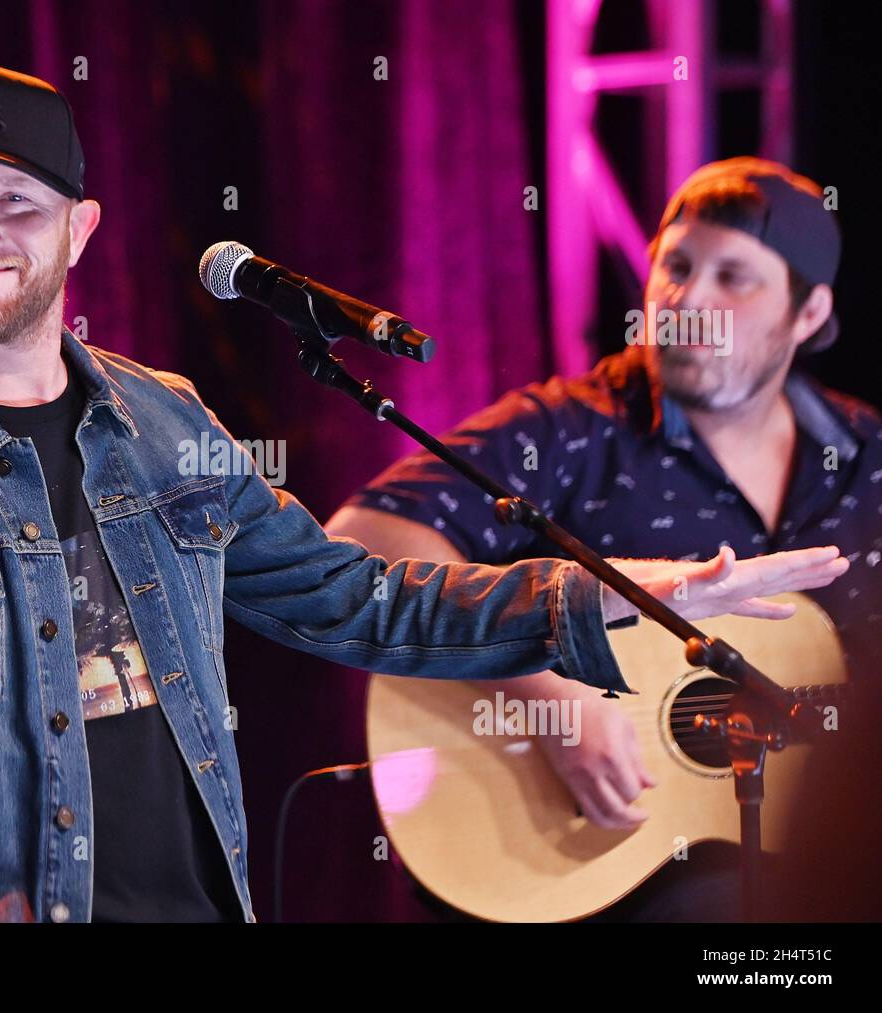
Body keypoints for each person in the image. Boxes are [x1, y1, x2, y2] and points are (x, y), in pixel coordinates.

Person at [0, 70, 847, 925]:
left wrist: (638, 590)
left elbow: (371, 601)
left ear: (78, 230)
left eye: (15, 203)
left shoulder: (169, 423)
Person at [327, 157, 880, 921]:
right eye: (675, 267)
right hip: (615, 859)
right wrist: (552, 702)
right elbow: (362, 539)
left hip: (814, 838)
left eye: (733, 277)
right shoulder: (570, 430)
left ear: (808, 314)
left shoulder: (866, 455)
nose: (689, 300)